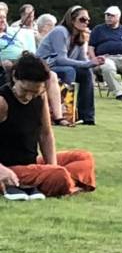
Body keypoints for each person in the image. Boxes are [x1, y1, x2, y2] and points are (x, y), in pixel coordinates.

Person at [0, 53, 96, 197]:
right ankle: (64, 184)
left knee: (83, 157)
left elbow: (45, 134)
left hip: (31, 165)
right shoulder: (2, 102)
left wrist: (52, 166)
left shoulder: (40, 97)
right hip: (9, 168)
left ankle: (59, 181)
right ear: (15, 77)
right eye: (25, 90)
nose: (28, 97)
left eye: (34, 92)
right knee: (58, 174)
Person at [37, 5, 105, 125]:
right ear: (72, 20)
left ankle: (87, 116)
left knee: (86, 73)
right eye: (82, 19)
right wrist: (88, 63)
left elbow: (82, 61)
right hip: (45, 66)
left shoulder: (80, 36)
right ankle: (63, 112)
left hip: (62, 67)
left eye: (88, 20)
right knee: (69, 71)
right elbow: (60, 59)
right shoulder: (60, 31)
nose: (86, 23)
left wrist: (94, 63)